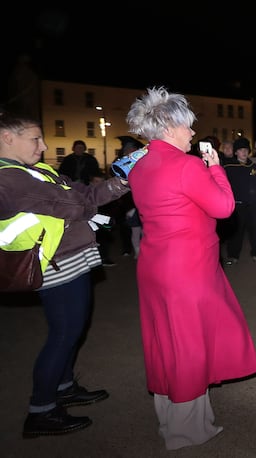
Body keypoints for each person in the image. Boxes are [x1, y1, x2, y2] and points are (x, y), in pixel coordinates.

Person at [124, 87, 256, 450]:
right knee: (188, 345)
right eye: (187, 127)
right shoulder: (186, 165)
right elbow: (224, 207)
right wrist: (215, 167)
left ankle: (170, 418)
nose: (191, 133)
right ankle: (185, 431)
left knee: (164, 342)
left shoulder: (138, 166)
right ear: (169, 127)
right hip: (187, 269)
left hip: (154, 266)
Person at [0, 111, 129, 437]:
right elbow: (73, 203)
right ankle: (41, 410)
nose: (43, 146)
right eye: (35, 139)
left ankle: (64, 386)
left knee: (74, 328)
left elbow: (82, 194)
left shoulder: (34, 170)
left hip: (70, 259)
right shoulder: (8, 178)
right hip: (53, 266)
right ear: (7, 138)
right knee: (64, 333)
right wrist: (97, 194)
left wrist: (119, 183)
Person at [221, 137, 256, 264]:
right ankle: (233, 255)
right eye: (241, 150)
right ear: (236, 152)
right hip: (237, 204)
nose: (244, 152)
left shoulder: (254, 167)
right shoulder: (228, 167)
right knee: (236, 231)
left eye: (246, 149)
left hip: (255, 204)